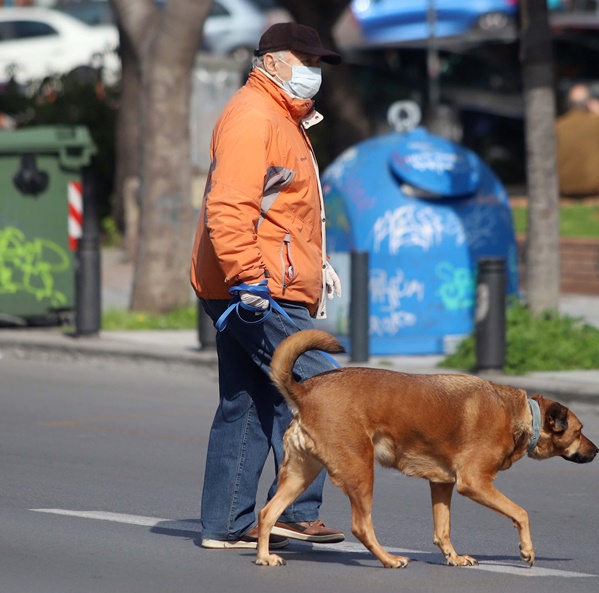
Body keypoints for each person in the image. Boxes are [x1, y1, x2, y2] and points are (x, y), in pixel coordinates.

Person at [191, 22, 346, 550]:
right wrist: (249, 278)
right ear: (273, 61)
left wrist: (315, 264)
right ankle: (296, 512)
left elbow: (283, 212)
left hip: (256, 280)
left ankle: (226, 525)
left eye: (318, 63)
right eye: (307, 61)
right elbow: (229, 205)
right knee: (324, 385)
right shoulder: (254, 117)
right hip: (254, 286)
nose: (314, 72)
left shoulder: (279, 116)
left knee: (249, 399)